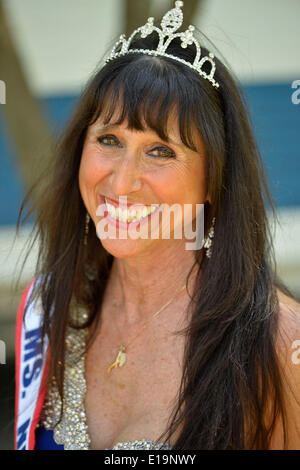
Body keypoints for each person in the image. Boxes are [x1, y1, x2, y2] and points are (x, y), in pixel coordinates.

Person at [14, 1, 300, 451]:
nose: (123, 182)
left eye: (160, 151)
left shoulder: (278, 342)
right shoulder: (51, 309)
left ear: (214, 180)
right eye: (109, 140)